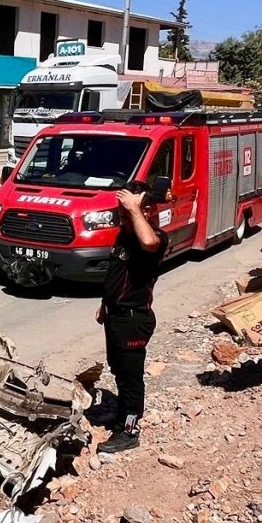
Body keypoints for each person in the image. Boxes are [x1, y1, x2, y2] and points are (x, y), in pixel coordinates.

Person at [96, 181, 169, 454]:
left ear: (146, 211)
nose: (122, 218)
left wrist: (134, 210)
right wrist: (105, 305)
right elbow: (117, 275)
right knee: (117, 369)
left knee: (131, 378)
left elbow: (149, 242)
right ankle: (122, 413)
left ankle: (129, 430)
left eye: (126, 213)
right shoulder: (124, 236)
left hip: (133, 320)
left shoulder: (156, 238)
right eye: (121, 213)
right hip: (116, 317)